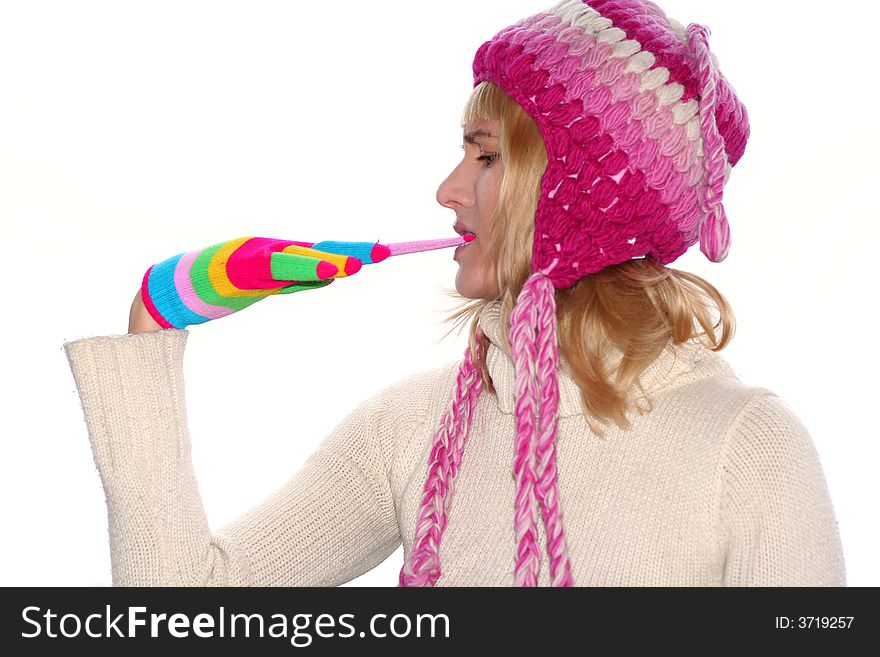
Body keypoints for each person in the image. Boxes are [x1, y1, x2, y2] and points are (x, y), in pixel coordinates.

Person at [64, 0, 845, 587]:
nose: (448, 190)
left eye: (487, 156)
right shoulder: (409, 428)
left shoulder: (749, 450)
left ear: (580, 194)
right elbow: (180, 611)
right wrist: (148, 336)